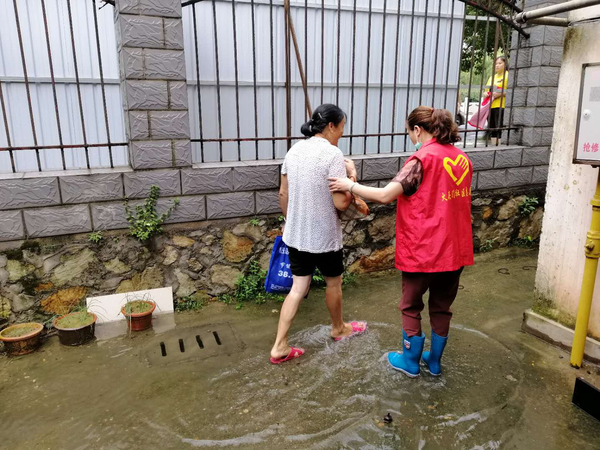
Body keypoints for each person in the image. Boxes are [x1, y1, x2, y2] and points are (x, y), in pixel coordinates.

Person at [328, 106, 474, 378]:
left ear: (418, 130)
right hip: (455, 249)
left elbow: (385, 195)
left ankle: (409, 360)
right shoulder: (462, 158)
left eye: (409, 132)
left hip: (425, 249)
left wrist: (349, 186)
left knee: (411, 305)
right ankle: (434, 362)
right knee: (442, 306)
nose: (410, 137)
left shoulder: (420, 160)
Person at [270, 104, 367, 365]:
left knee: (297, 288)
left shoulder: (294, 150)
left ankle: (279, 346)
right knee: (333, 283)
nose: (343, 133)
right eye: (343, 127)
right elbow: (341, 203)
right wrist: (352, 174)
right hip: (324, 236)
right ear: (332, 126)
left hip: (297, 234)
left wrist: (291, 222)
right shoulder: (333, 154)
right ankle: (339, 329)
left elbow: (283, 193)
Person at [486, 56, 509, 146]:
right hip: (491, 105)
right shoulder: (492, 77)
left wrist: (501, 94)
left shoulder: (508, 76)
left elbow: (512, 91)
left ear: (505, 64)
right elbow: (486, 90)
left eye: (500, 63)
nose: (497, 65)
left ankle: (499, 147)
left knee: (499, 128)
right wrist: (486, 94)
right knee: (492, 128)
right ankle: (493, 147)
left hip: (501, 106)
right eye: (496, 63)